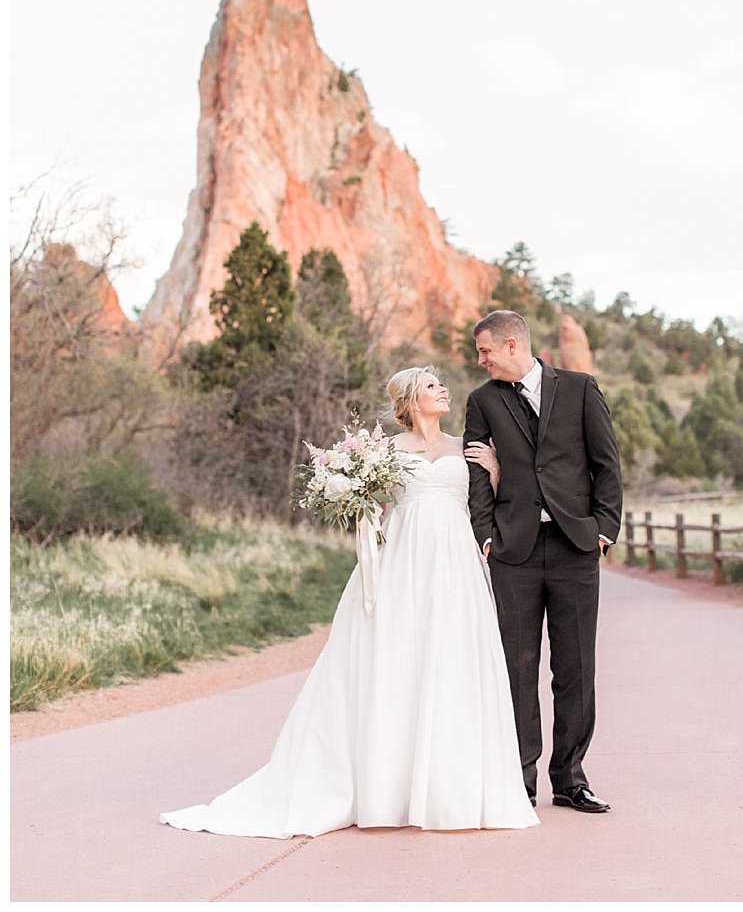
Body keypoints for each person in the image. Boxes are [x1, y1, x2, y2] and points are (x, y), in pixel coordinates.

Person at [161, 368, 537, 837]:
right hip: (401, 561)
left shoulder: (468, 447)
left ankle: (447, 788)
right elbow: (372, 507)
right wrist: (349, 492)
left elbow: (486, 505)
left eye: (440, 384)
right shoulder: (385, 451)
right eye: (431, 386)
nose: (443, 390)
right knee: (395, 661)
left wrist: (496, 472)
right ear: (410, 400)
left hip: (455, 563)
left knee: (452, 660)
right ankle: (386, 787)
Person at [463, 309, 623, 815]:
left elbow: (606, 464)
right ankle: (520, 782)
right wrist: (486, 537)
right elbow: (475, 472)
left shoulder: (579, 388)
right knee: (517, 668)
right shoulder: (482, 401)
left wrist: (603, 530)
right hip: (514, 552)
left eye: (485, 350)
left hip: (576, 547)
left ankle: (570, 779)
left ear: (512, 345)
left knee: (575, 668)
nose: (481, 360)